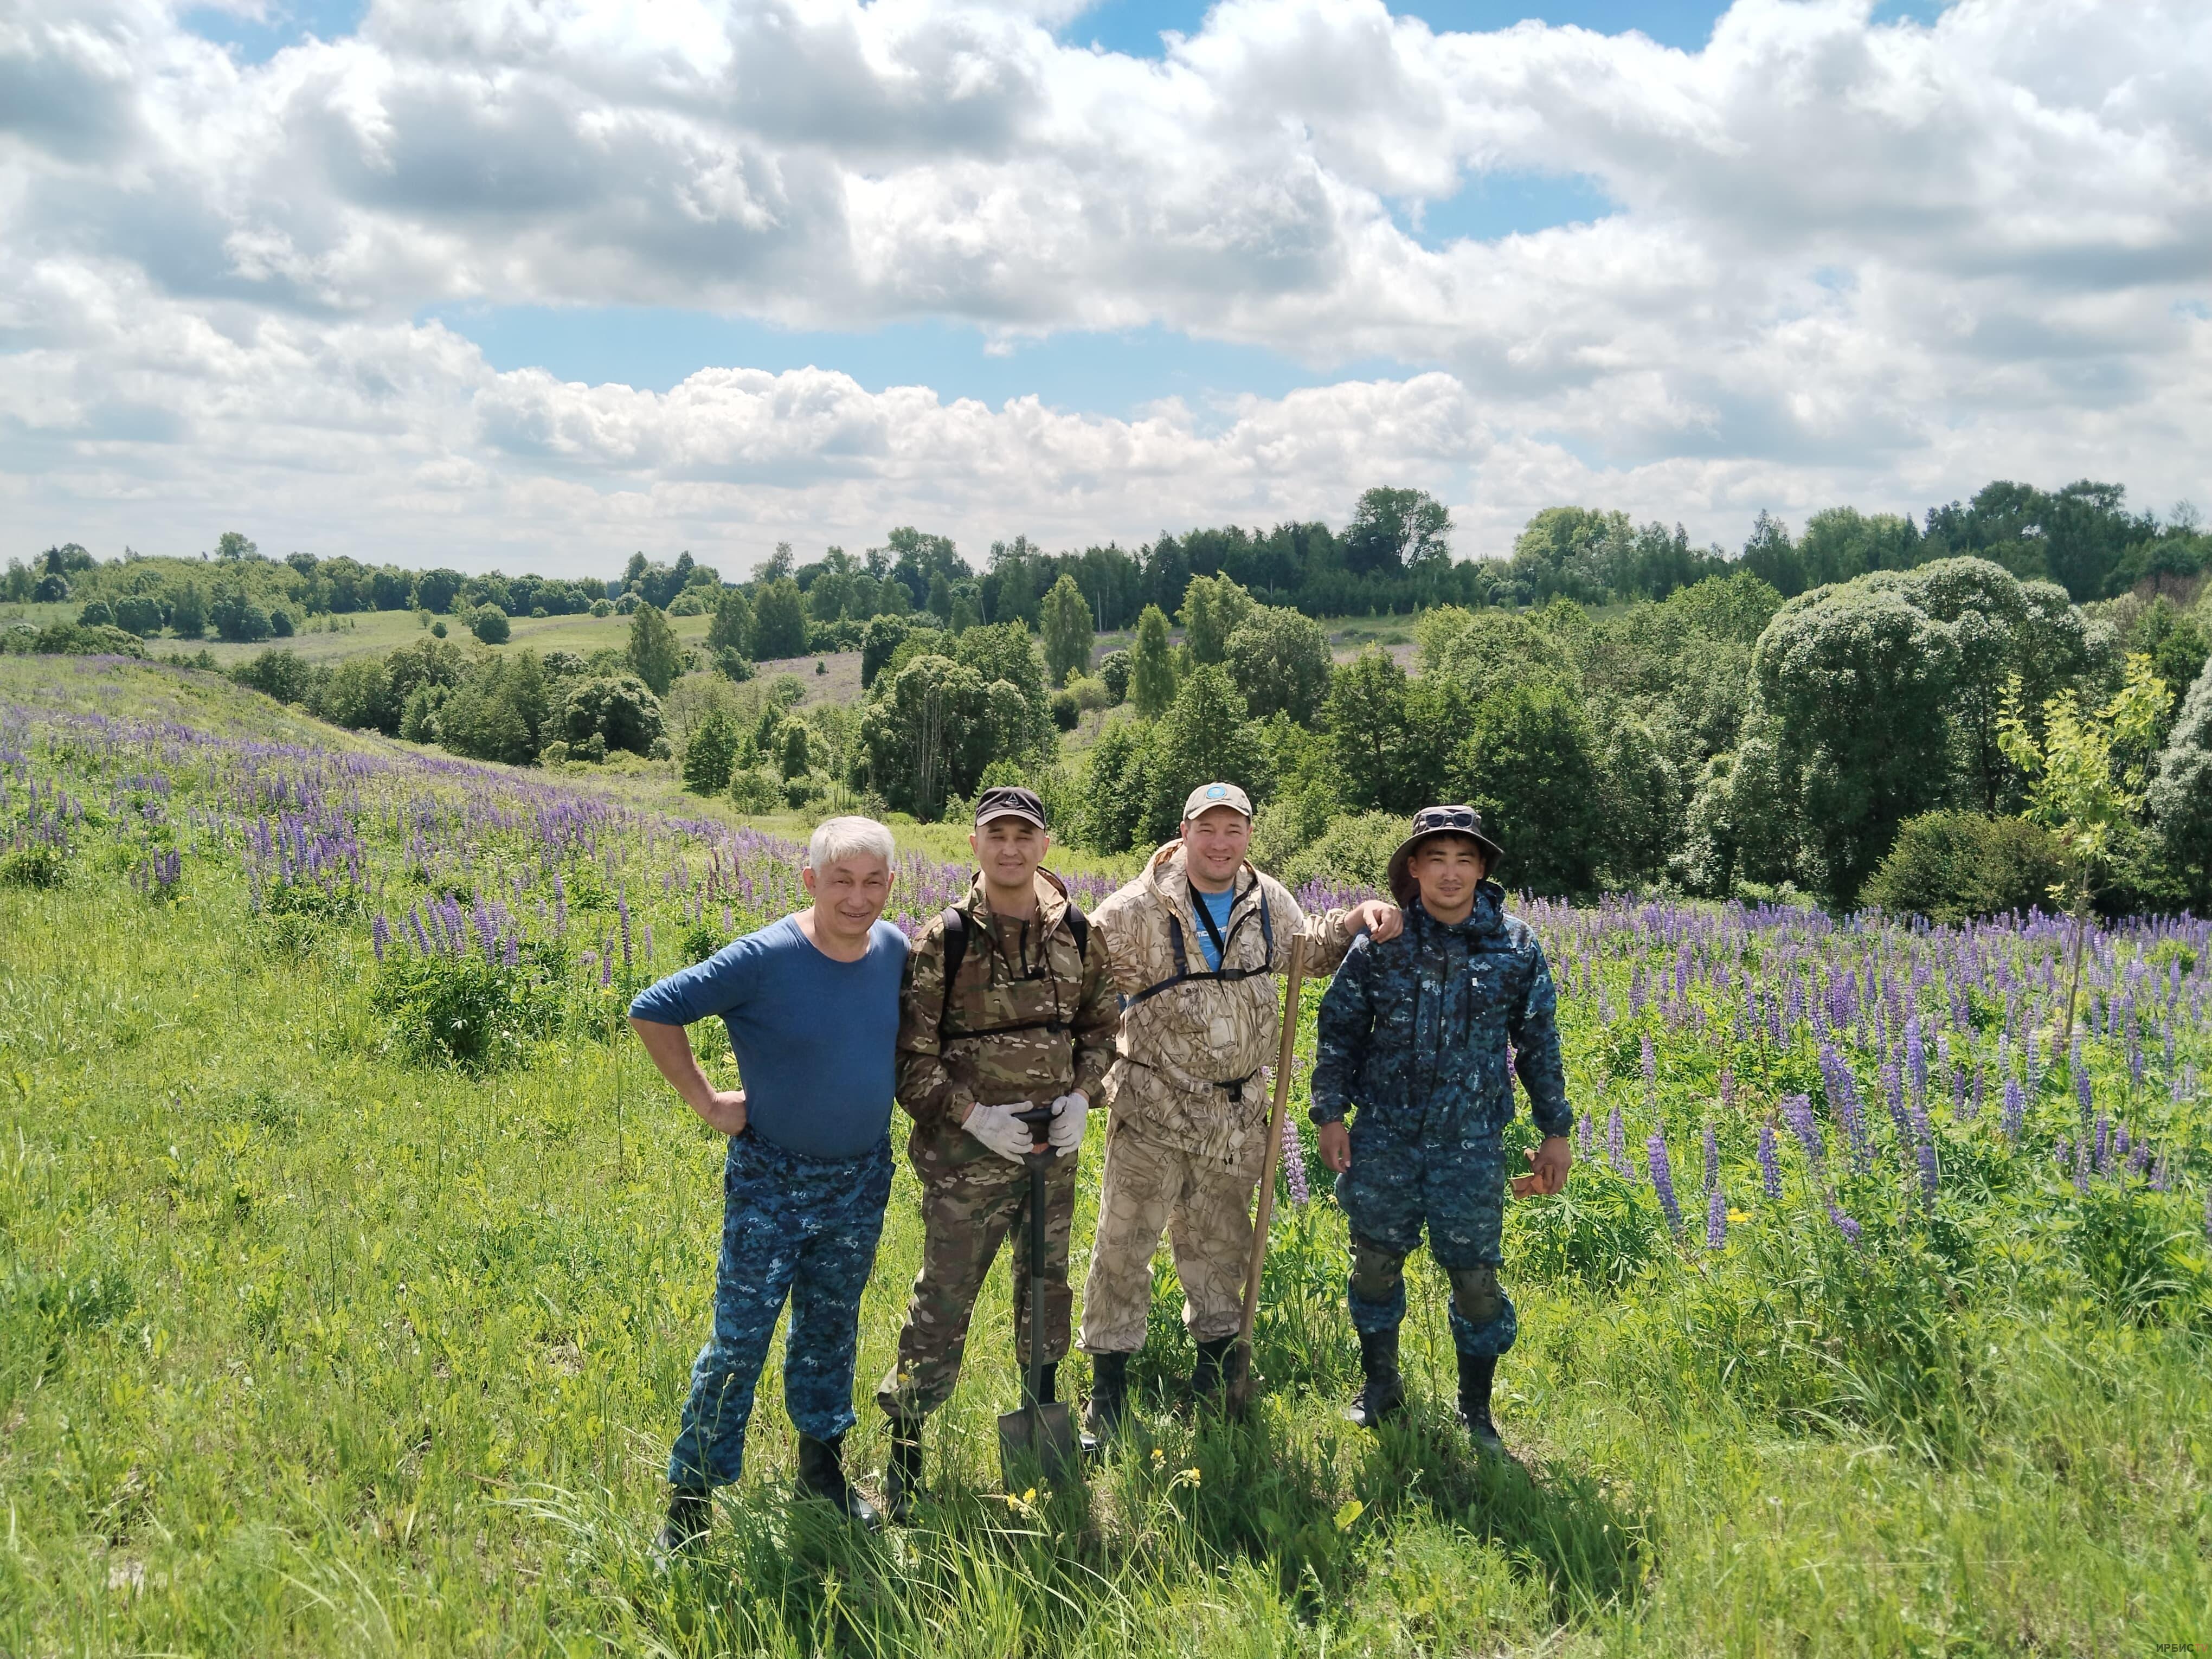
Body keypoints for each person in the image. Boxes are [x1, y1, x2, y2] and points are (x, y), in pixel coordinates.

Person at [1078, 782, 1402, 1432]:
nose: (1221, 843)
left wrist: (1356, 916)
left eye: (1234, 830)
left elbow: (1307, 947)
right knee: (1123, 1245)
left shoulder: (1267, 900)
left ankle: (1217, 1366)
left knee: (1223, 1246)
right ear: (1185, 832)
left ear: (1249, 834)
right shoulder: (1133, 909)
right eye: (1208, 829)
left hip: (1236, 1115)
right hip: (1153, 1109)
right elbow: (1082, 985)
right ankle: (1109, 1387)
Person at [627, 815, 908, 1557]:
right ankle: (688, 1504)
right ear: (810, 881)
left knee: (830, 1328)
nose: (857, 897)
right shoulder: (765, 957)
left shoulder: (896, 951)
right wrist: (707, 1101)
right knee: (738, 1341)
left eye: (872, 880)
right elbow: (653, 1008)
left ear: (890, 884)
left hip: (860, 1180)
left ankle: (822, 1474)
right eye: (840, 880)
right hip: (772, 1182)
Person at [875, 786, 1120, 1518]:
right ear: (974, 844)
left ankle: (1043, 1429)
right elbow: (909, 1062)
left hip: (1054, 1156)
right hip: (967, 1165)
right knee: (942, 1301)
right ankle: (905, 1460)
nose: (1011, 848)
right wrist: (974, 1117)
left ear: (1046, 844)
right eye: (996, 835)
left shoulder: (1078, 933)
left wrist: (1084, 1093)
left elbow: (1105, 1032)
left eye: (1025, 835)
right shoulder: (940, 941)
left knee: (1046, 1292)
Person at [1308, 805, 1572, 1454]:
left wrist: (1555, 1130)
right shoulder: (1384, 942)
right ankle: (1380, 1389)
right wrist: (1330, 1115)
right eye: (1437, 858)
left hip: (1472, 1145)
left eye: (1464, 858)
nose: (1450, 873)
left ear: (1482, 869)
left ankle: (1476, 1412)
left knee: (1476, 1282)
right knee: (1374, 1266)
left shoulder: (1515, 946)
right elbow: (1339, 1031)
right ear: (1415, 868)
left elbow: (1539, 1043)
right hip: (1385, 1140)